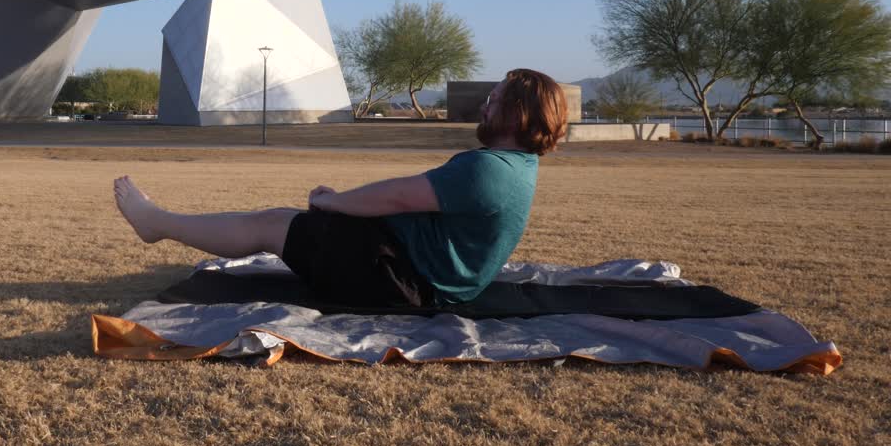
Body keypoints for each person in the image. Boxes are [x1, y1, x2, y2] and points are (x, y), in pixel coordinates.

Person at [113, 68, 569, 308]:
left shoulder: (489, 168)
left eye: (495, 100)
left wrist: (332, 202)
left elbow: (398, 195)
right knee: (296, 222)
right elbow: (417, 207)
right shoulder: (516, 165)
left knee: (272, 224)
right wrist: (338, 210)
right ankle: (162, 222)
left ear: (520, 113)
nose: (485, 105)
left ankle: (157, 224)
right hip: (419, 273)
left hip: (406, 282)